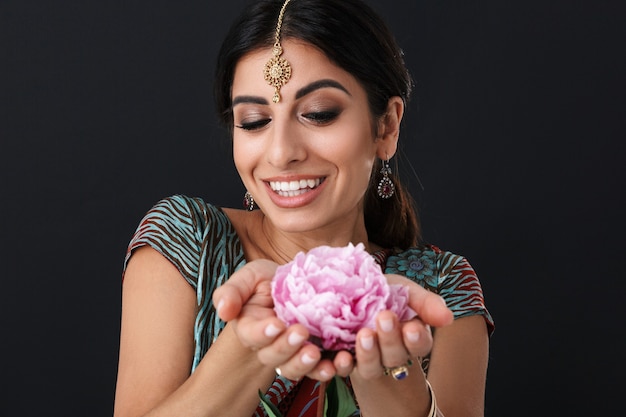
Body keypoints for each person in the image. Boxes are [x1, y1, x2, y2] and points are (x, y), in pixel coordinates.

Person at [113, 0, 495, 416]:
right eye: (255, 120)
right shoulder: (188, 241)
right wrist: (248, 344)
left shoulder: (439, 290)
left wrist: (397, 392)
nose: (281, 153)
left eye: (318, 114)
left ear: (386, 126)